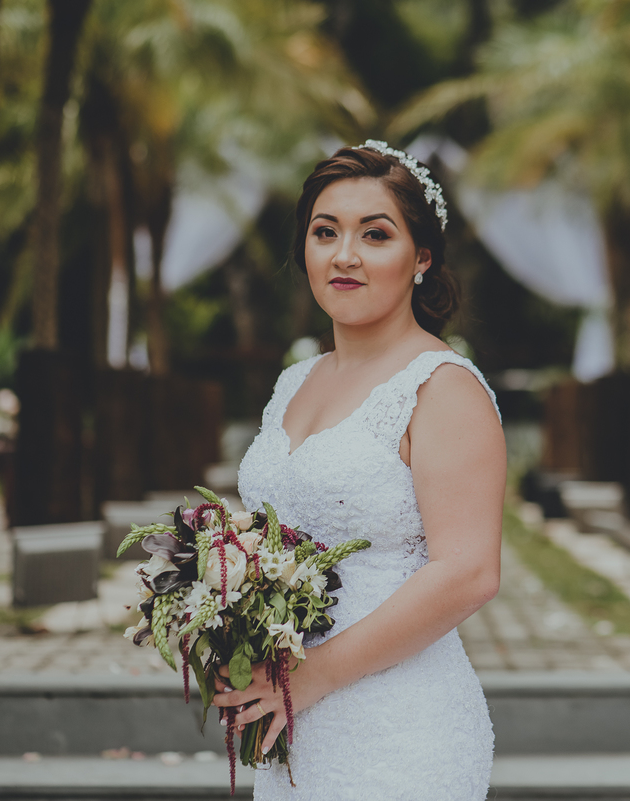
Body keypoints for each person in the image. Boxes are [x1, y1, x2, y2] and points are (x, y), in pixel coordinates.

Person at [215, 141, 506, 800]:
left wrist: (312, 676)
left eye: (375, 235)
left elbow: (469, 572)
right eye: (326, 232)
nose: (344, 255)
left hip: (398, 730)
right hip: (294, 725)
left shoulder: (442, 386)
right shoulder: (294, 383)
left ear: (421, 257)